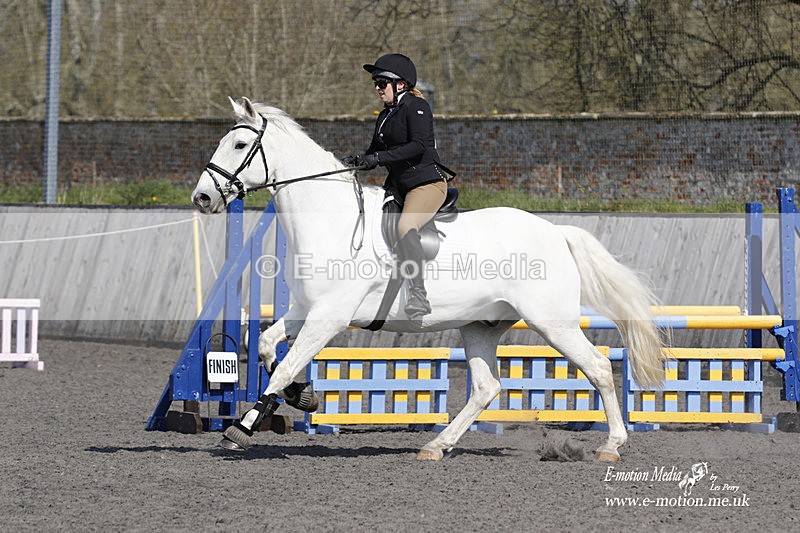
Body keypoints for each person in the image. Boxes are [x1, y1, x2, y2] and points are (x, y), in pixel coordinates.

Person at [345, 53, 454, 321]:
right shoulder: (384, 116)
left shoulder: (417, 107)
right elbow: (375, 151)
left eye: (382, 82)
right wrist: (357, 161)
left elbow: (417, 146)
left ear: (401, 84)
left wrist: (378, 158)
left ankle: (418, 294)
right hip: (398, 187)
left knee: (405, 227)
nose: (377, 88)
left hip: (426, 184)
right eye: (375, 82)